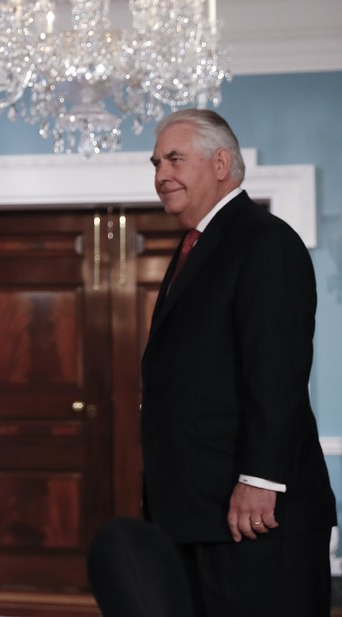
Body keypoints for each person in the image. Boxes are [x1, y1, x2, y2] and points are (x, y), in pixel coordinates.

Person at [141, 109, 336, 617]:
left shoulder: (264, 241)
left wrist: (260, 480)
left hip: (253, 515)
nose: (161, 174)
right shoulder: (194, 247)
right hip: (196, 514)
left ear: (221, 162)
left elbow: (276, 373)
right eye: (157, 161)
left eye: (175, 159)